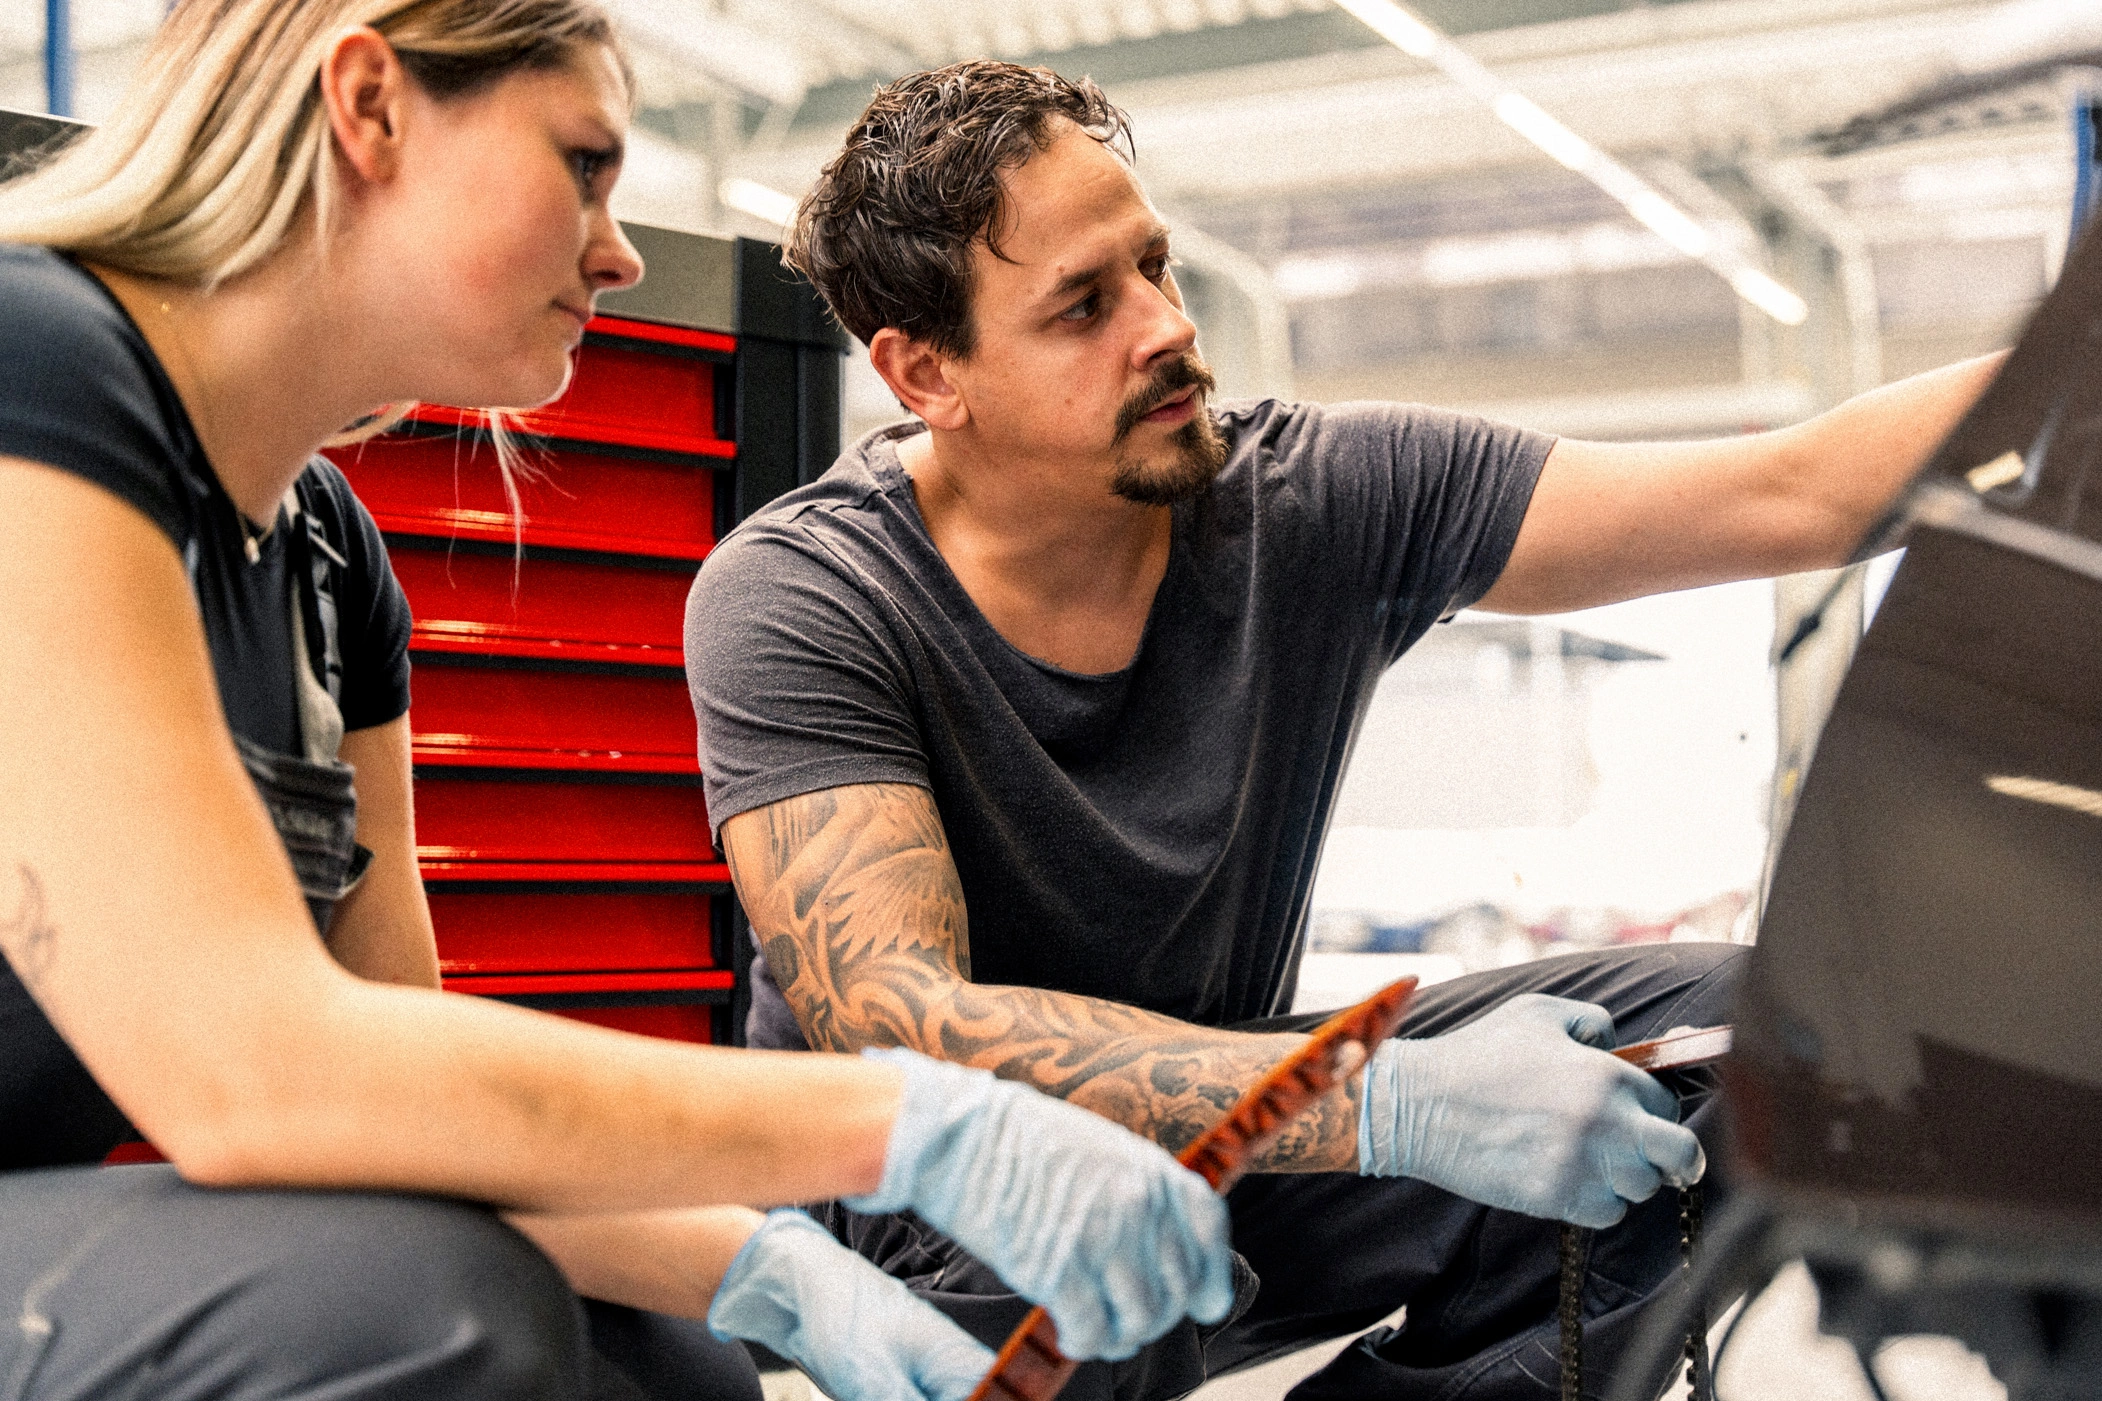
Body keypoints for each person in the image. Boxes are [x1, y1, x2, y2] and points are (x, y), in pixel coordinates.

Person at [683, 62, 2006, 1401]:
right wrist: (1384, 1106)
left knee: (1735, 1046)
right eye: (1083, 305)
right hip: (922, 1211)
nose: (1164, 326)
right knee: (1089, 1229)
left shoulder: (1310, 500)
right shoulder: (806, 595)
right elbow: (906, 1027)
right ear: (926, 373)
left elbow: (1794, 490)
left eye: (1154, 266)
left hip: (1250, 1152)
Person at [0, 14, 1241, 1401]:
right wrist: (915, 1126)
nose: (619, 251)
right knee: (425, 1306)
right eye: (583, 166)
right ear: (371, 108)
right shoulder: (29, 359)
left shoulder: (326, 561)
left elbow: (404, 1121)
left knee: (672, 1363)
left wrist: (773, 1274)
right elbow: (258, 1077)